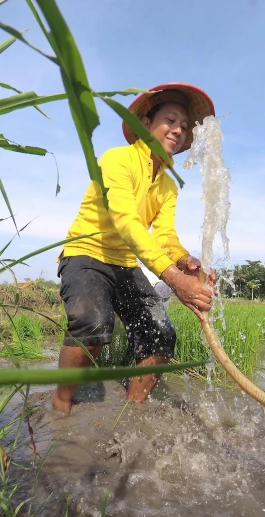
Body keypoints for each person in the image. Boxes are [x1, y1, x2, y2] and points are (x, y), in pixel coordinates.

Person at [53, 83, 216, 414]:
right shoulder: (118, 159)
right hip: (87, 253)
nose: (179, 130)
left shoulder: (169, 184)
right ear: (146, 122)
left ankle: (131, 415)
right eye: (171, 120)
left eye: (185, 127)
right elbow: (127, 222)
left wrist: (184, 261)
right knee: (92, 322)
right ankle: (60, 402)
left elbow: (165, 235)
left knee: (161, 334)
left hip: (125, 264)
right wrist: (171, 276)